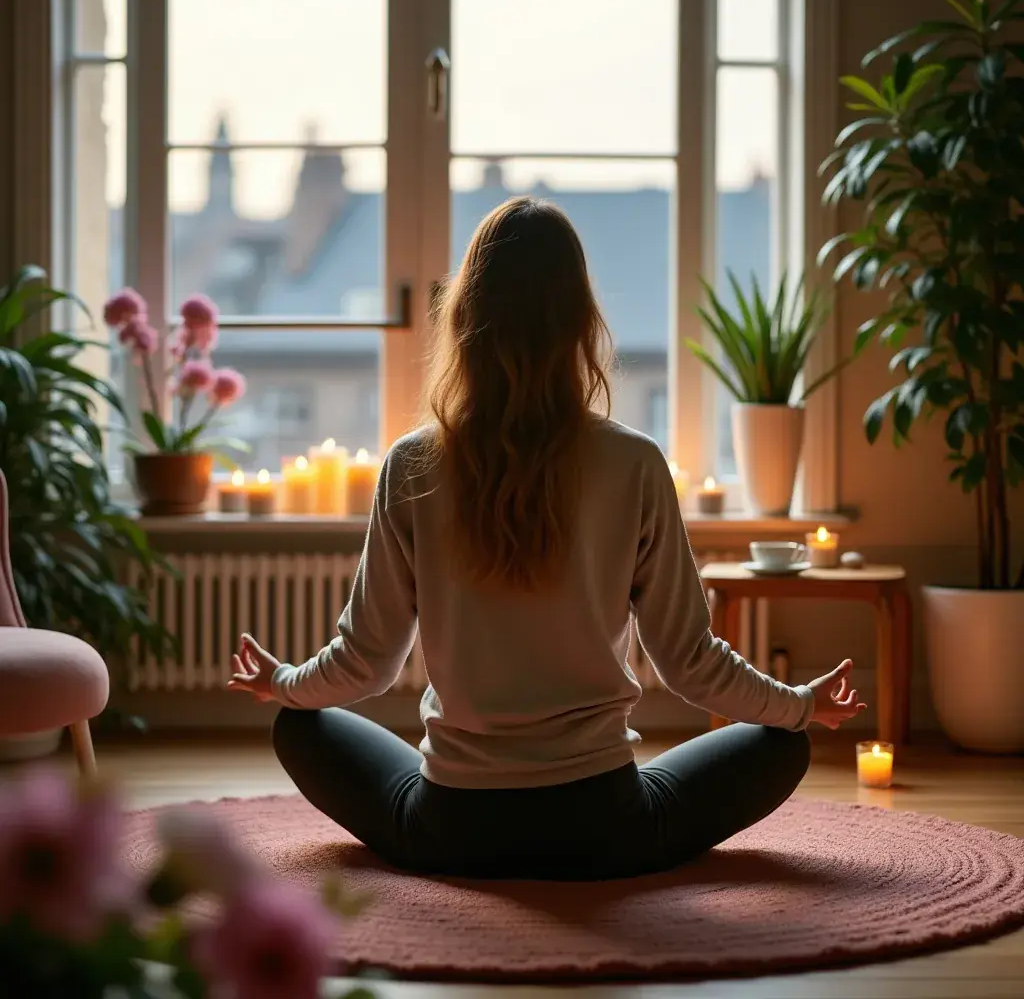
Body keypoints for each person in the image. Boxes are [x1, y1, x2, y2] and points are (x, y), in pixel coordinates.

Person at [228, 197, 867, 880]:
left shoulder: (412, 465)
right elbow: (689, 664)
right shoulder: (636, 463)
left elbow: (368, 662)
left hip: (449, 829)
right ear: (580, 324)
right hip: (606, 829)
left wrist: (284, 682)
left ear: (465, 319)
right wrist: (800, 704)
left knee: (300, 724)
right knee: (784, 745)